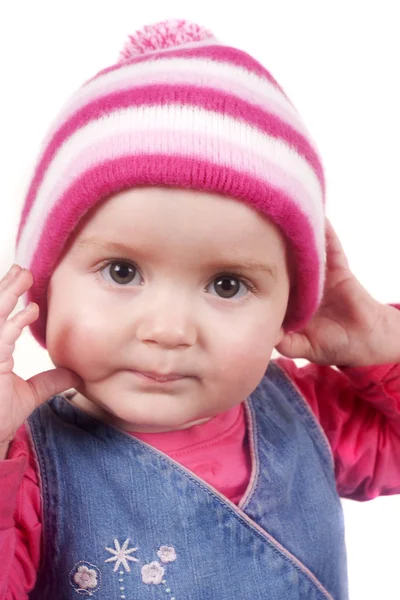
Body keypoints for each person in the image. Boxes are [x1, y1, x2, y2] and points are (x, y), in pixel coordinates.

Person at [0, 18, 399, 600]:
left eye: (228, 284)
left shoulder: (304, 414)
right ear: (42, 285)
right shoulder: (26, 467)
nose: (169, 331)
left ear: (291, 309)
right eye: (122, 271)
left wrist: (384, 344)